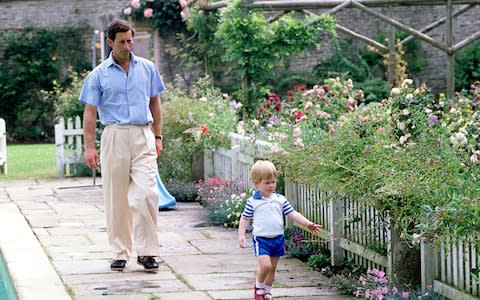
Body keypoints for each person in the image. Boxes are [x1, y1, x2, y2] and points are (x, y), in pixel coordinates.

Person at [79, 19, 164, 273]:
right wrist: (90, 148)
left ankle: (148, 252)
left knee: (146, 194)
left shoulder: (148, 69)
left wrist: (158, 136)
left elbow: (156, 103)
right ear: (110, 43)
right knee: (116, 199)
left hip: (142, 135)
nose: (128, 46)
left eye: (130, 41)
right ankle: (119, 252)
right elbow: (90, 113)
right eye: (122, 42)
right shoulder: (98, 75)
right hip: (114, 136)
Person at [238, 160, 322, 300]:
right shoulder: (253, 202)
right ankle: (258, 289)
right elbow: (245, 218)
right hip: (261, 239)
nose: (271, 185)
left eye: (273, 182)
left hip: (277, 238)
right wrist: (241, 234)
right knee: (265, 266)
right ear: (256, 183)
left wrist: (308, 224)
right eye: (267, 183)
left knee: (272, 268)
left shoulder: (280, 199)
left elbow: (293, 213)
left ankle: (267, 291)